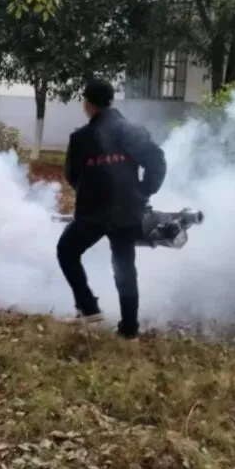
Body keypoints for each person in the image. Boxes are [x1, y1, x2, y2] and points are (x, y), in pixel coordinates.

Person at [58, 78, 167, 340]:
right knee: (124, 266)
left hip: (93, 213)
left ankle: (88, 307)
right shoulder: (133, 131)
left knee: (67, 251)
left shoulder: (81, 138)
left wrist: (91, 191)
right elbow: (157, 161)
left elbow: (72, 176)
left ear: (87, 104)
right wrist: (144, 190)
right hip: (128, 213)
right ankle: (129, 330)